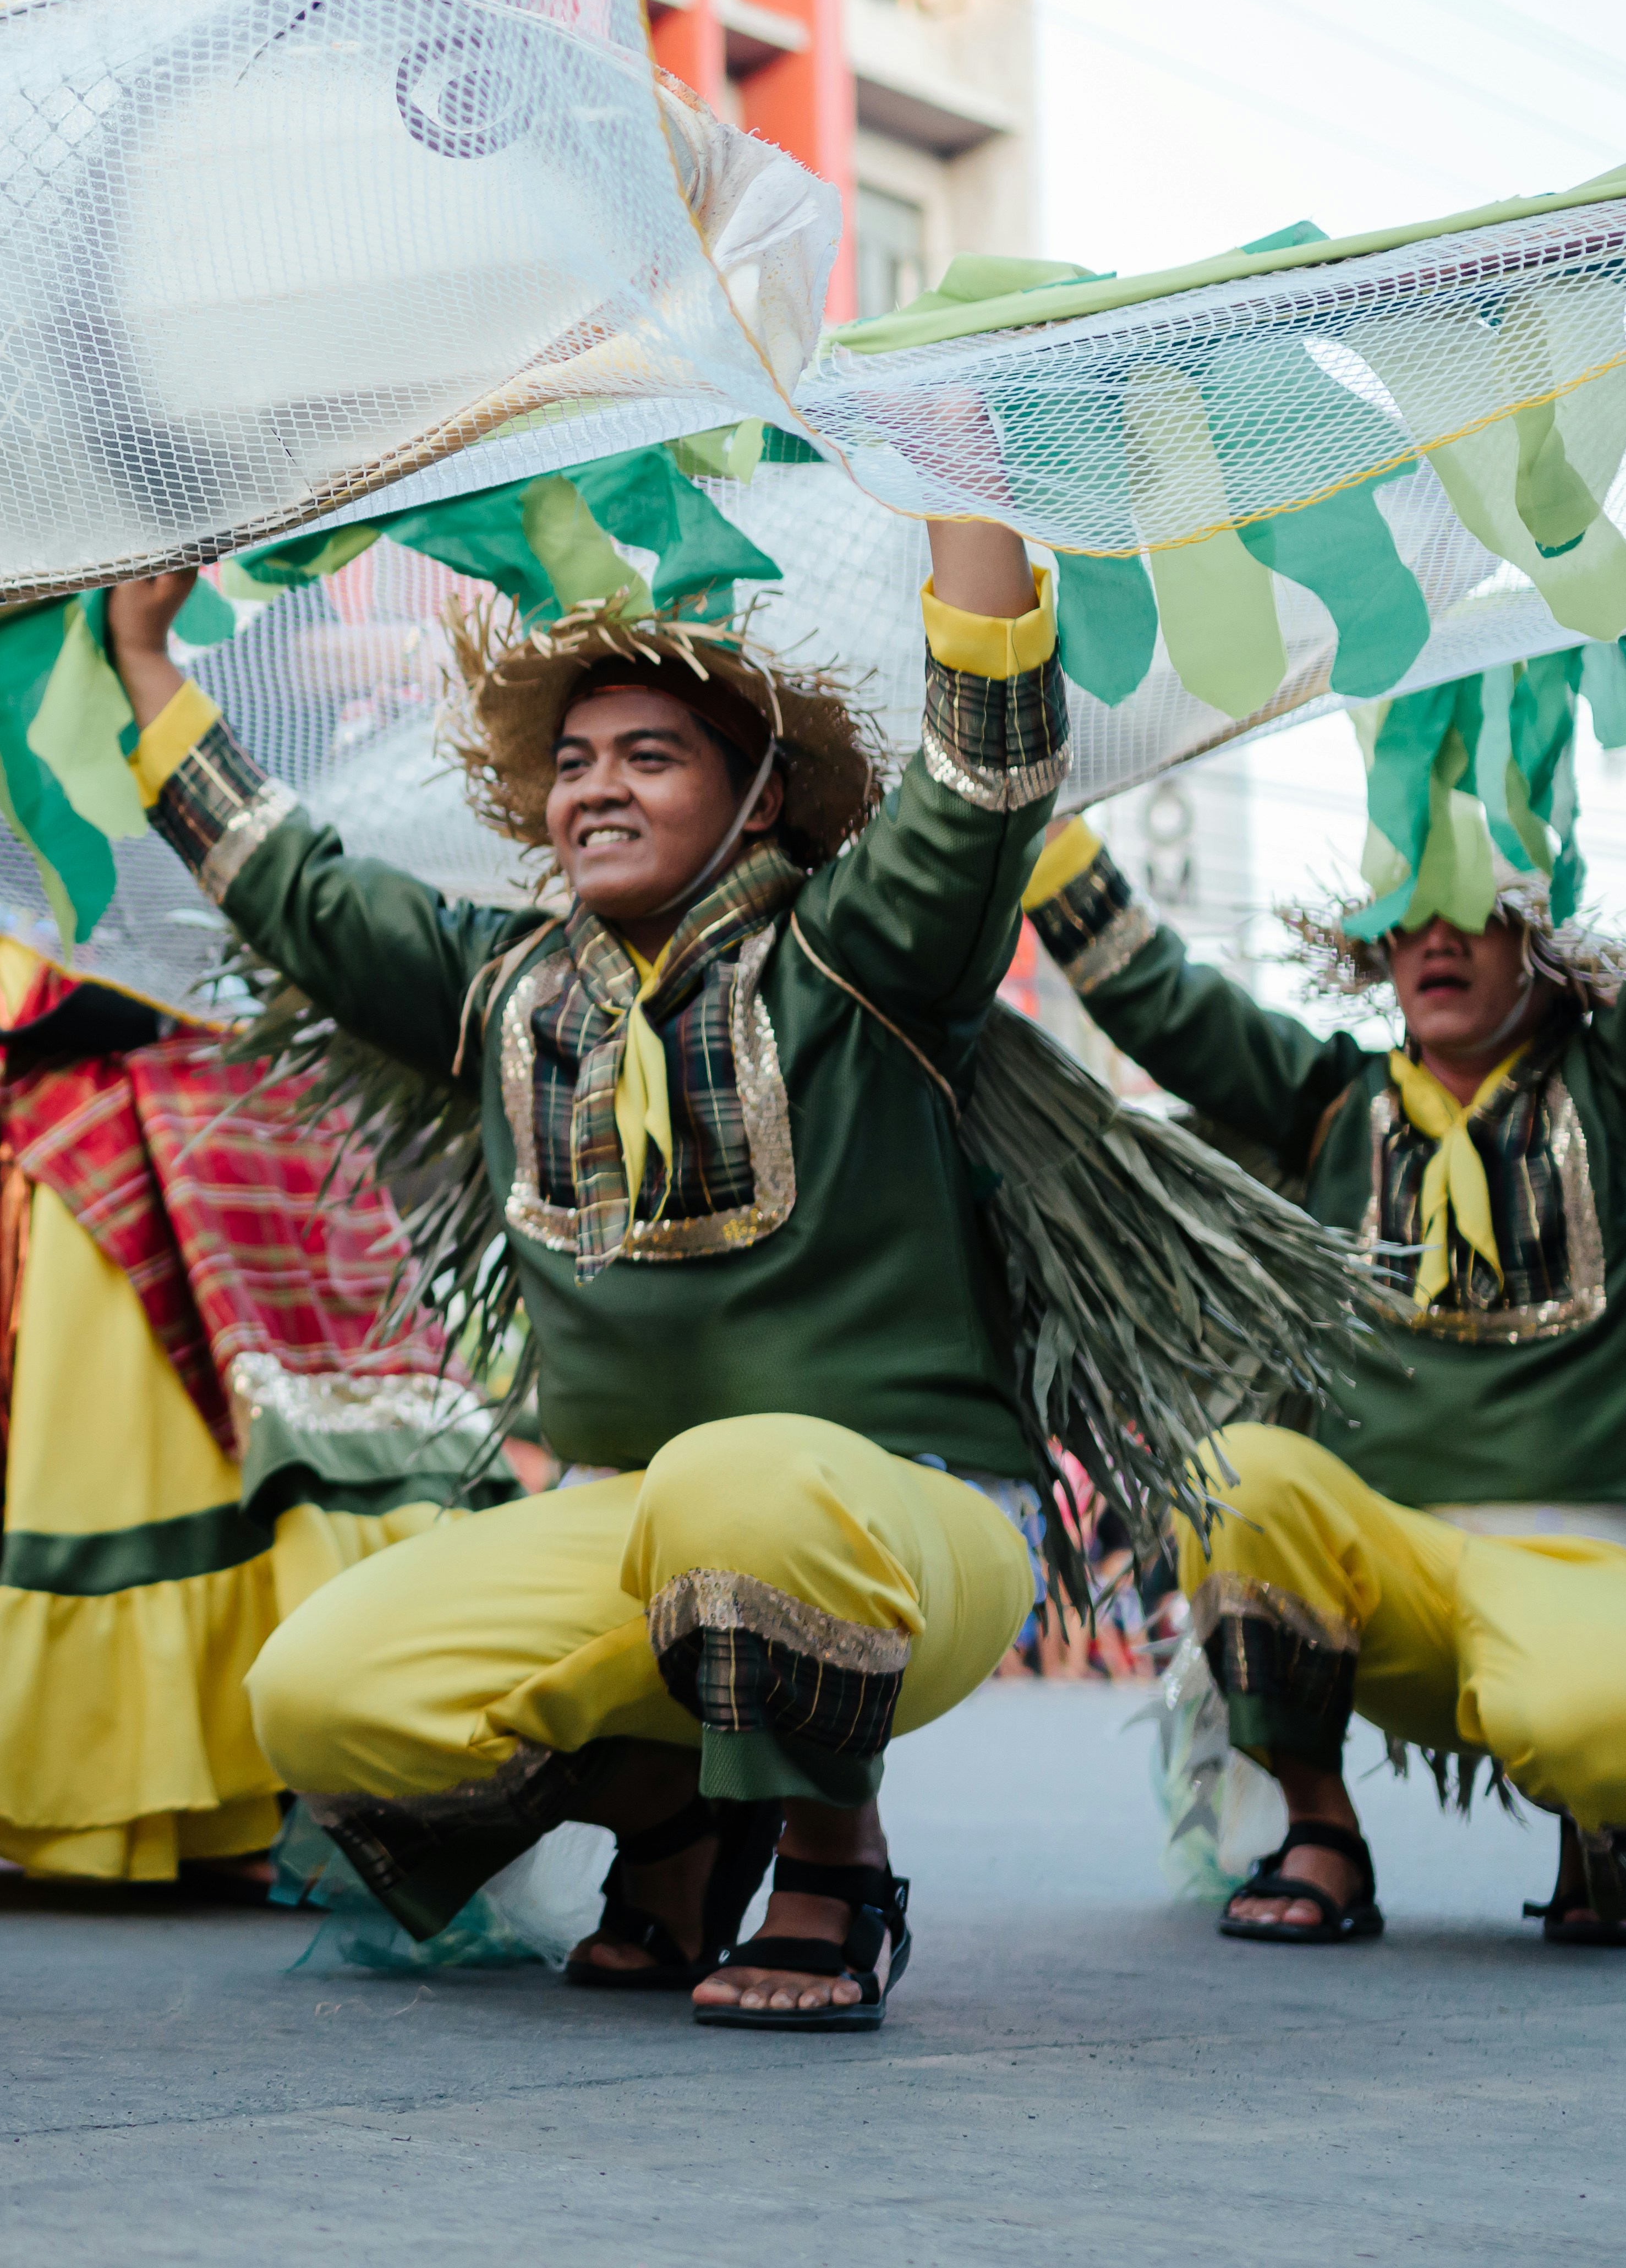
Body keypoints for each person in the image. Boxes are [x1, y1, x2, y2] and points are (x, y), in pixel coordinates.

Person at [101, 519, 1064, 2029]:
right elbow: (293, 885)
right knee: (319, 1696)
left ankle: (835, 1866)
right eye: (575, 762)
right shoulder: (504, 990)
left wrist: (959, 485)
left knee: (742, 1482)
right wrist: (148, 661)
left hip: (910, 1516)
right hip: (631, 1524)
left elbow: (985, 774)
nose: (597, 786)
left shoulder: (867, 948)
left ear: (758, 804)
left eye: (652, 756)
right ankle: (687, 1810)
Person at [1020, 616, 1626, 1948]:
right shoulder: (1335, 1105)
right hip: (1387, 1579)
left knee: (1608, 1735)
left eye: (1474, 911)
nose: (1435, 939)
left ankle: (1613, 1832)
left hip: (1586, 1567)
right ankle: (1321, 1828)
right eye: (1407, 913)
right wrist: (1027, 811)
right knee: (1243, 1475)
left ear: (1534, 934)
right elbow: (1162, 1000)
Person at [0, 929, 489, 1884]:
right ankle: (201, 1767)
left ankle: (237, 1759)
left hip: (174, 1028)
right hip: (63, 1017)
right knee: (94, 1376)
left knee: (149, 1377)